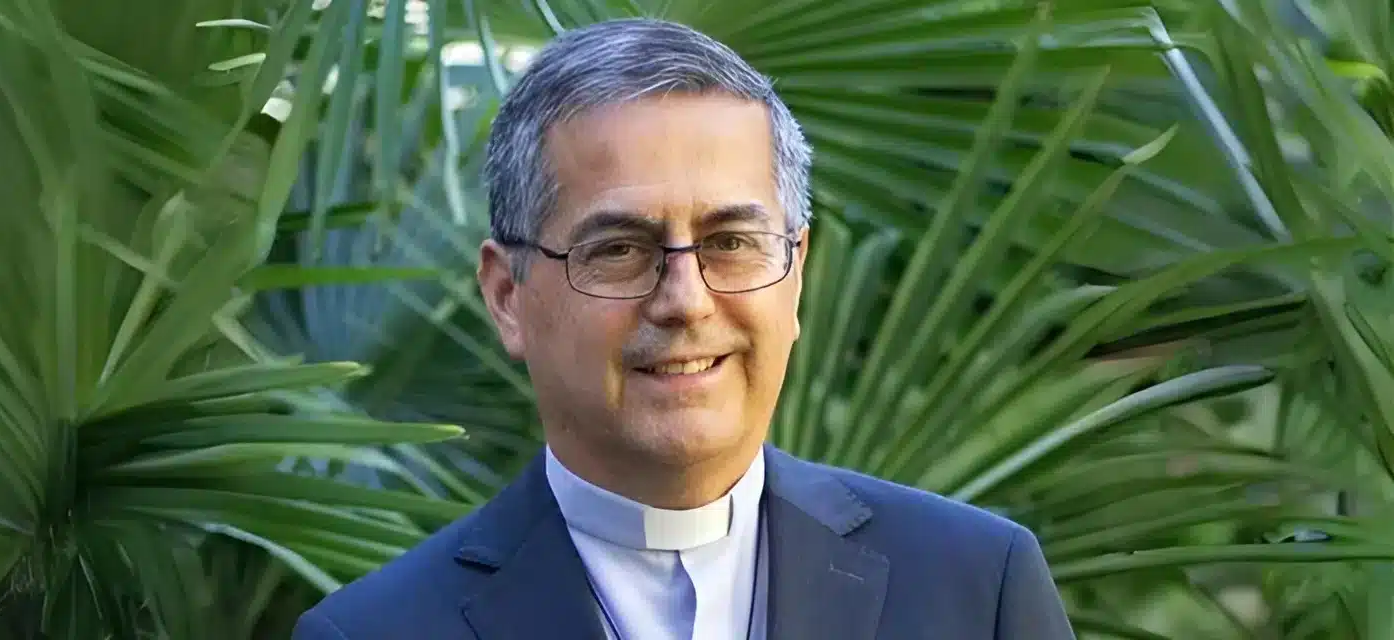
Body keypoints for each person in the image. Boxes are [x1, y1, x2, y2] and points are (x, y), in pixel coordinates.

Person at [292, 17, 1075, 640]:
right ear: (507, 297)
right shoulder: (372, 633)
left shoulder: (977, 585)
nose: (687, 300)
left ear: (796, 274)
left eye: (731, 242)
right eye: (619, 249)